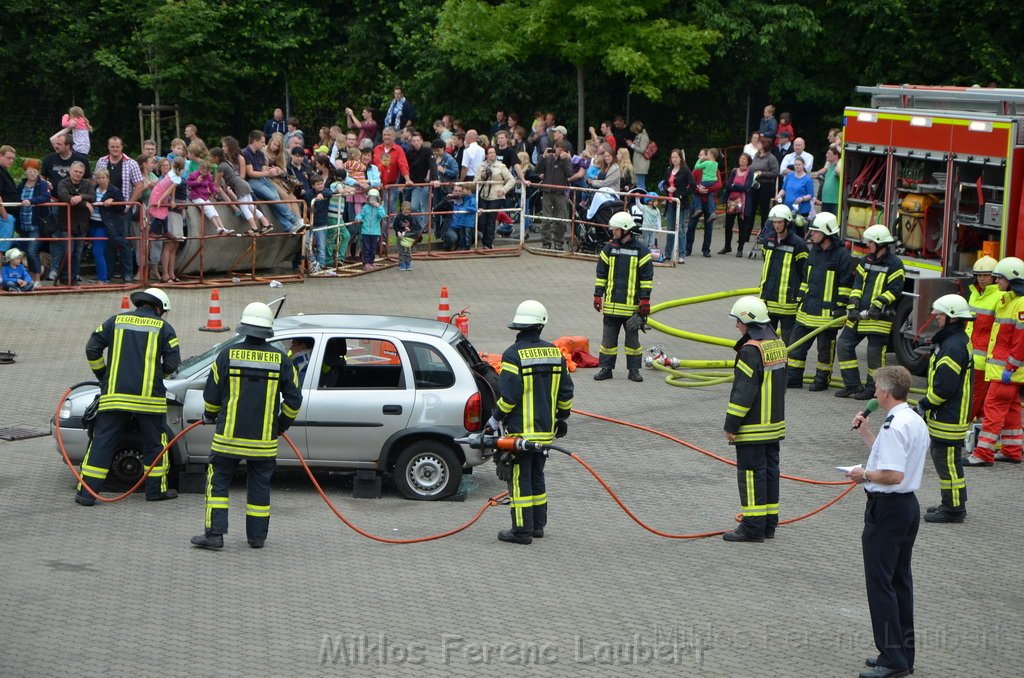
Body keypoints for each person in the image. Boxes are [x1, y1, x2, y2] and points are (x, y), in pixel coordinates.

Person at [191, 302, 302, 550]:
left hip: (227, 439)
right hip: (263, 442)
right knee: (260, 489)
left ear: (244, 327)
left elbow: (211, 396)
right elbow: (294, 400)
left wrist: (210, 416)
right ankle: (257, 538)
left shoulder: (227, 355)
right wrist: (280, 426)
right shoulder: (282, 360)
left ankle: (215, 535)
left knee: (218, 483)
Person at [846, 366, 929, 678]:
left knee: (881, 584)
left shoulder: (895, 426)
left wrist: (862, 475)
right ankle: (901, 653)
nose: (874, 393)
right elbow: (894, 461)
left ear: (886, 392)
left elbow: (892, 475)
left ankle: (892, 659)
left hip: (888, 509)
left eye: (876, 388)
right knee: (899, 582)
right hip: (906, 508)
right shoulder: (912, 419)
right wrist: (868, 435)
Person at [78, 288, 181, 505]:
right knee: (155, 445)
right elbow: (172, 364)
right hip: (149, 400)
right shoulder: (164, 328)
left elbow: (92, 349)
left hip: (115, 396)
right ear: (159, 308)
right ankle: (154, 492)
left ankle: (87, 494)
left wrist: (104, 376)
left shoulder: (115, 321)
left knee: (102, 443)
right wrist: (155, 377)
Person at [488, 300, 574, 544]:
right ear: (541, 326)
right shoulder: (555, 353)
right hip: (545, 433)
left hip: (520, 434)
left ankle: (521, 531)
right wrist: (562, 418)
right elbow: (566, 392)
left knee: (519, 480)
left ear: (518, 327)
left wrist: (494, 419)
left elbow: (510, 397)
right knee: (537, 476)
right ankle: (537, 525)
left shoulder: (513, 355)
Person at [724, 296, 786, 542]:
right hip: (773, 426)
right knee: (770, 472)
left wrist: (731, 425)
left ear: (747, 321)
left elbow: (743, 393)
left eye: (738, 321)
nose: (737, 326)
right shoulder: (777, 345)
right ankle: (768, 524)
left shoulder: (751, 350)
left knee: (751, 475)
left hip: (753, 427)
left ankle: (752, 527)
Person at [915, 294, 973, 523]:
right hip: (950, 414)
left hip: (949, 415)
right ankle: (951, 503)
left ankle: (954, 509)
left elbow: (944, 388)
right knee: (948, 462)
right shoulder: (956, 341)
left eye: (940, 315)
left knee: (947, 463)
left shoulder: (952, 347)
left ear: (951, 317)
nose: (937, 318)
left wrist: (923, 404)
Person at [964, 256, 1024, 466]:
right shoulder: (1012, 302)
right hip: (1005, 370)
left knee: (992, 411)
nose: (996, 282)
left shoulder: (1019, 305)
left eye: (1000, 278)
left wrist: (1011, 367)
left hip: (1005, 370)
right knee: (1013, 410)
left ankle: (982, 454)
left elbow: (1020, 342)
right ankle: (1012, 449)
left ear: (1013, 280)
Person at [836, 225, 906, 400]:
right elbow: (857, 285)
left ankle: (873, 389)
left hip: (878, 318)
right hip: (859, 316)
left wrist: (876, 305)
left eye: (870, 242)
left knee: (874, 355)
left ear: (880, 243)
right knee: (844, 345)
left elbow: (895, 290)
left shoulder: (895, 264)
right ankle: (852, 385)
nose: (867, 245)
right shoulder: (866, 260)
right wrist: (852, 306)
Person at [787, 212, 852, 389]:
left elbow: (845, 284)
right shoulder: (814, 252)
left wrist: (840, 307)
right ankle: (793, 377)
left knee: (825, 351)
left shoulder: (842, 256)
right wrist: (799, 298)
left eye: (815, 231)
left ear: (826, 233)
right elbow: (805, 279)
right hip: (806, 310)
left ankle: (821, 380)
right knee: (795, 347)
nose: (812, 234)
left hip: (827, 315)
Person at [593, 211, 654, 382]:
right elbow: (601, 274)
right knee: (608, 342)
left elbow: (647, 278)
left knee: (633, 343)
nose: (613, 232)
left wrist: (645, 300)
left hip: (632, 308)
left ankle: (634, 370)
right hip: (612, 306)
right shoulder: (609, 249)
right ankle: (606, 369)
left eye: (616, 229)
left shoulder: (641, 250)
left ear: (626, 230)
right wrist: (598, 295)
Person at [758, 204, 808, 344]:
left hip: (788, 304)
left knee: (789, 343)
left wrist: (799, 296)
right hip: (768, 301)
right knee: (767, 342)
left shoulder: (798, 244)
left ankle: (787, 366)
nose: (776, 226)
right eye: (774, 222)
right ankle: (771, 366)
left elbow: (804, 272)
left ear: (787, 222)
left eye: (780, 222)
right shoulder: (767, 240)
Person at [241, 130, 302, 233]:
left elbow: (263, 169)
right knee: (274, 198)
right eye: (262, 142)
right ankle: (295, 220)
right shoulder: (245, 153)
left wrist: (273, 171)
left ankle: (289, 227)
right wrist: (269, 173)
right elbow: (251, 173)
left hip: (263, 178)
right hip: (252, 181)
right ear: (255, 141)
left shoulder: (260, 153)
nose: (264, 144)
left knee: (275, 199)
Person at [964, 256, 999, 420]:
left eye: (986, 275)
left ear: (994, 276)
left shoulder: (999, 297)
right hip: (969, 356)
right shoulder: (974, 293)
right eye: (979, 275)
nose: (982, 279)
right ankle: (979, 435)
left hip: (984, 362)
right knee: (979, 402)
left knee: (973, 399)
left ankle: (962, 429)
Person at [52, 160, 94, 286]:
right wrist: (85, 203)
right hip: (66, 224)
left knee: (78, 253)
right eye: (75, 171)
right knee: (68, 252)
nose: (78, 174)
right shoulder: (62, 183)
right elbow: (64, 197)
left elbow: (93, 197)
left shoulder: (87, 184)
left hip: (82, 224)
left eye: (80, 172)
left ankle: (73, 278)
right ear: (70, 171)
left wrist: (81, 197)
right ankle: (62, 277)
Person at [15, 158, 52, 280]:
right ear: (25, 172)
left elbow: (45, 197)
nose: (32, 174)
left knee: (32, 251)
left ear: (38, 172)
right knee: (27, 251)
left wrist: (31, 201)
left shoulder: (42, 184)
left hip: (36, 225)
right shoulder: (21, 186)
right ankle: (30, 278)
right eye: (29, 171)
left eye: (35, 171)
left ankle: (37, 280)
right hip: (23, 225)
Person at [536, 141, 573, 250]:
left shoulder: (565, 160)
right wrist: (543, 156)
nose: (559, 151)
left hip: (560, 192)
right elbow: (536, 170)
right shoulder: (547, 158)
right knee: (546, 219)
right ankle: (546, 242)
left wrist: (566, 160)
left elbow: (570, 174)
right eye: (557, 149)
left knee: (560, 220)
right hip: (547, 191)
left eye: (562, 149)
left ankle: (558, 242)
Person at [475, 146, 515, 249]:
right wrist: (482, 177)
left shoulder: (501, 166)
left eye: (494, 152)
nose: (492, 154)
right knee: (482, 219)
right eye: (490, 152)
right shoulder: (481, 166)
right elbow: (475, 182)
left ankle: (488, 243)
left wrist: (503, 190)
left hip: (496, 196)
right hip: (483, 195)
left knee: (491, 219)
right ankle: (484, 240)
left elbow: (511, 180)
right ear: (486, 155)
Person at [686, 150, 721, 258]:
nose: (699, 157)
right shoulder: (696, 170)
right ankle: (687, 249)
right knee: (691, 225)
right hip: (697, 202)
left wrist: (706, 189)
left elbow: (718, 184)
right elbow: (690, 184)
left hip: (709, 202)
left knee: (709, 227)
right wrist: (698, 189)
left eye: (701, 155)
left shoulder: (714, 168)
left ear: (706, 156)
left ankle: (706, 250)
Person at [719, 153, 755, 255]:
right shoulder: (734, 171)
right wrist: (737, 186)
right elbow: (728, 185)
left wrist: (735, 186)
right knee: (728, 225)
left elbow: (747, 187)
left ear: (748, 161)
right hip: (732, 201)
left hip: (743, 202)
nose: (742, 161)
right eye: (741, 158)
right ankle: (727, 246)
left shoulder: (750, 172)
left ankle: (740, 249)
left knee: (742, 226)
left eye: (744, 159)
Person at [661, 149, 693, 263]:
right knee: (670, 228)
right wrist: (667, 189)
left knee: (681, 229)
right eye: (672, 157)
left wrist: (681, 194)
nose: (674, 159)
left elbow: (692, 185)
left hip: (681, 205)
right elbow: (665, 184)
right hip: (670, 203)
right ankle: (667, 253)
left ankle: (682, 254)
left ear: (680, 158)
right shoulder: (669, 170)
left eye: (676, 157)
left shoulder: (685, 170)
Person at [775, 157, 814, 236]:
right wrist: (779, 195)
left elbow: (810, 195)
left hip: (801, 209)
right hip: (788, 207)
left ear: (803, 165)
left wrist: (802, 198)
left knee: (799, 231)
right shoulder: (789, 175)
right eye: (795, 165)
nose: (797, 166)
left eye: (799, 164)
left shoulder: (807, 179)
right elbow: (784, 189)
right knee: (787, 229)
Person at [354, 188, 387, 270]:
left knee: (373, 248)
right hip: (365, 231)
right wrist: (358, 217)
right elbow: (361, 215)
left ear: (377, 199)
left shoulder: (380, 207)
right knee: (366, 248)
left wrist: (378, 206)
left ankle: (371, 262)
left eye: (374, 199)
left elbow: (383, 216)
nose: (372, 201)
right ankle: (366, 263)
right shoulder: (365, 207)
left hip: (375, 232)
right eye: (371, 198)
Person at [627, 120, 651, 189]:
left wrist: (632, 145)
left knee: (640, 183)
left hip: (641, 164)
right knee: (638, 183)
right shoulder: (639, 135)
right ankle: (642, 198)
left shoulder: (644, 137)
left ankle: (644, 199)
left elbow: (642, 149)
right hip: (638, 164)